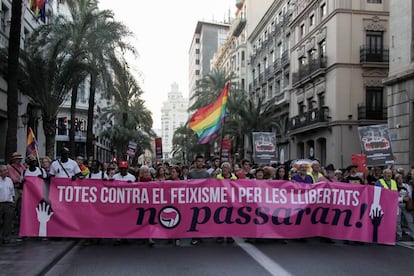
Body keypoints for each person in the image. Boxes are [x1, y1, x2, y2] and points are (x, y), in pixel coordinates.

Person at [188, 155, 210, 245]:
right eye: (198, 161)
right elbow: (187, 185)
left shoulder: (206, 174)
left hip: (203, 199)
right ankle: (194, 236)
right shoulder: (191, 173)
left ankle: (201, 235)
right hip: (193, 199)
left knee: (202, 217)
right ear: (195, 162)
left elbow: (210, 186)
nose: (200, 163)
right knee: (194, 218)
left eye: (201, 161)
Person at [395, 173, 414, 241]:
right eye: (398, 179)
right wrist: (402, 198)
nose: (400, 180)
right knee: (398, 221)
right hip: (398, 205)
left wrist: (408, 198)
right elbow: (394, 197)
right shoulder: (395, 186)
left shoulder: (406, 185)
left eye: (401, 178)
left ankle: (413, 235)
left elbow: (410, 193)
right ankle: (399, 234)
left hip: (406, 205)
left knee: (410, 220)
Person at [0, 165, 15, 244]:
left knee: (8, 222)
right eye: (4, 170)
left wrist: (12, 201)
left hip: (8, 203)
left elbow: (12, 191)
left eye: (6, 170)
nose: (6, 172)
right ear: (0, 172)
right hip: (0, 203)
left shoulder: (9, 180)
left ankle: (6, 238)